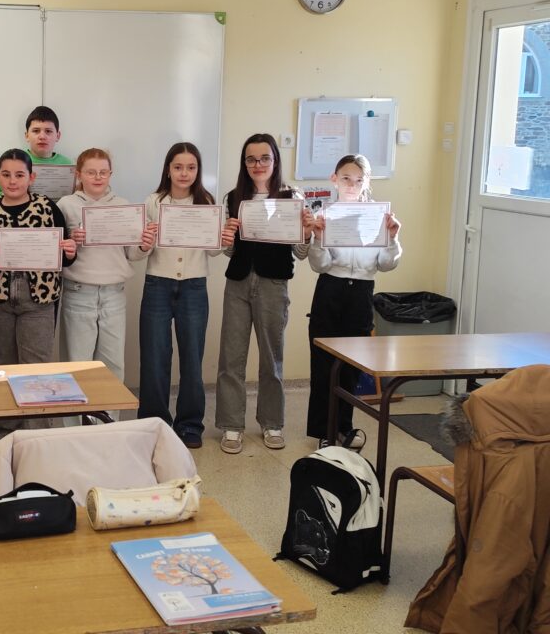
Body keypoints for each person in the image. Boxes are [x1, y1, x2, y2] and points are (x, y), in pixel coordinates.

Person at [214, 133, 313, 454]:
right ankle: (231, 425)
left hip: (273, 284)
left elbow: (300, 253)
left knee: (272, 359)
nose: (258, 164)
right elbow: (229, 251)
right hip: (238, 283)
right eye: (251, 159)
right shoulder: (233, 197)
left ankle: (272, 422)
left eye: (264, 158)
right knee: (231, 357)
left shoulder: (292, 197)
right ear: (244, 163)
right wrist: (227, 237)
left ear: (275, 160)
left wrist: (307, 232)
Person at [0, 149, 77, 438]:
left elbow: (64, 256)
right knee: (3, 368)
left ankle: (37, 436)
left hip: (39, 301)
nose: (13, 181)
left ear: (31, 177)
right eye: (6, 174)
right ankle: (6, 435)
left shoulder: (47, 208)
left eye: (19, 175)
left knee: (36, 370)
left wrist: (70, 251)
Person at [307, 154, 402, 448]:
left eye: (359, 180)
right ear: (334, 179)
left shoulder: (378, 216)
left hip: (361, 292)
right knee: (323, 364)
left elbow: (386, 264)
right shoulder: (325, 214)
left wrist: (393, 238)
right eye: (346, 178)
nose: (352, 185)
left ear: (367, 182)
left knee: (351, 365)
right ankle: (324, 431)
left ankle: (343, 427)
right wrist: (318, 239)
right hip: (330, 290)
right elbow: (319, 265)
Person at [58, 148, 154, 420]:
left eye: (103, 172)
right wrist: (71, 241)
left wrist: (144, 246)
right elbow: (57, 252)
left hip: (114, 295)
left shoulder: (124, 206)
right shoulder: (66, 205)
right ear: (79, 174)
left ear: (111, 174)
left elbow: (131, 254)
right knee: (77, 368)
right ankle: (74, 430)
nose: (98, 177)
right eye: (91, 172)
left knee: (112, 367)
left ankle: (108, 427)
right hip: (79, 294)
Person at [134, 143, 219, 449]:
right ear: (168, 169)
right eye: (178, 167)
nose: (184, 173)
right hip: (158, 284)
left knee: (193, 358)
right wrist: (145, 242)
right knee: (154, 357)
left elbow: (214, 251)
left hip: (194, 286)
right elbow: (138, 252)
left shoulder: (206, 203)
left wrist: (222, 238)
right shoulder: (153, 202)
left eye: (191, 167)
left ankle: (190, 424)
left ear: (198, 171)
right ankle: (154, 423)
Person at [0, 106, 72, 199]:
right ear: (27, 135)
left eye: (48, 131)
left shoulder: (69, 165)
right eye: (36, 131)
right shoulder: (15, 161)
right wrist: (15, 193)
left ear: (58, 136)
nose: (42, 136)